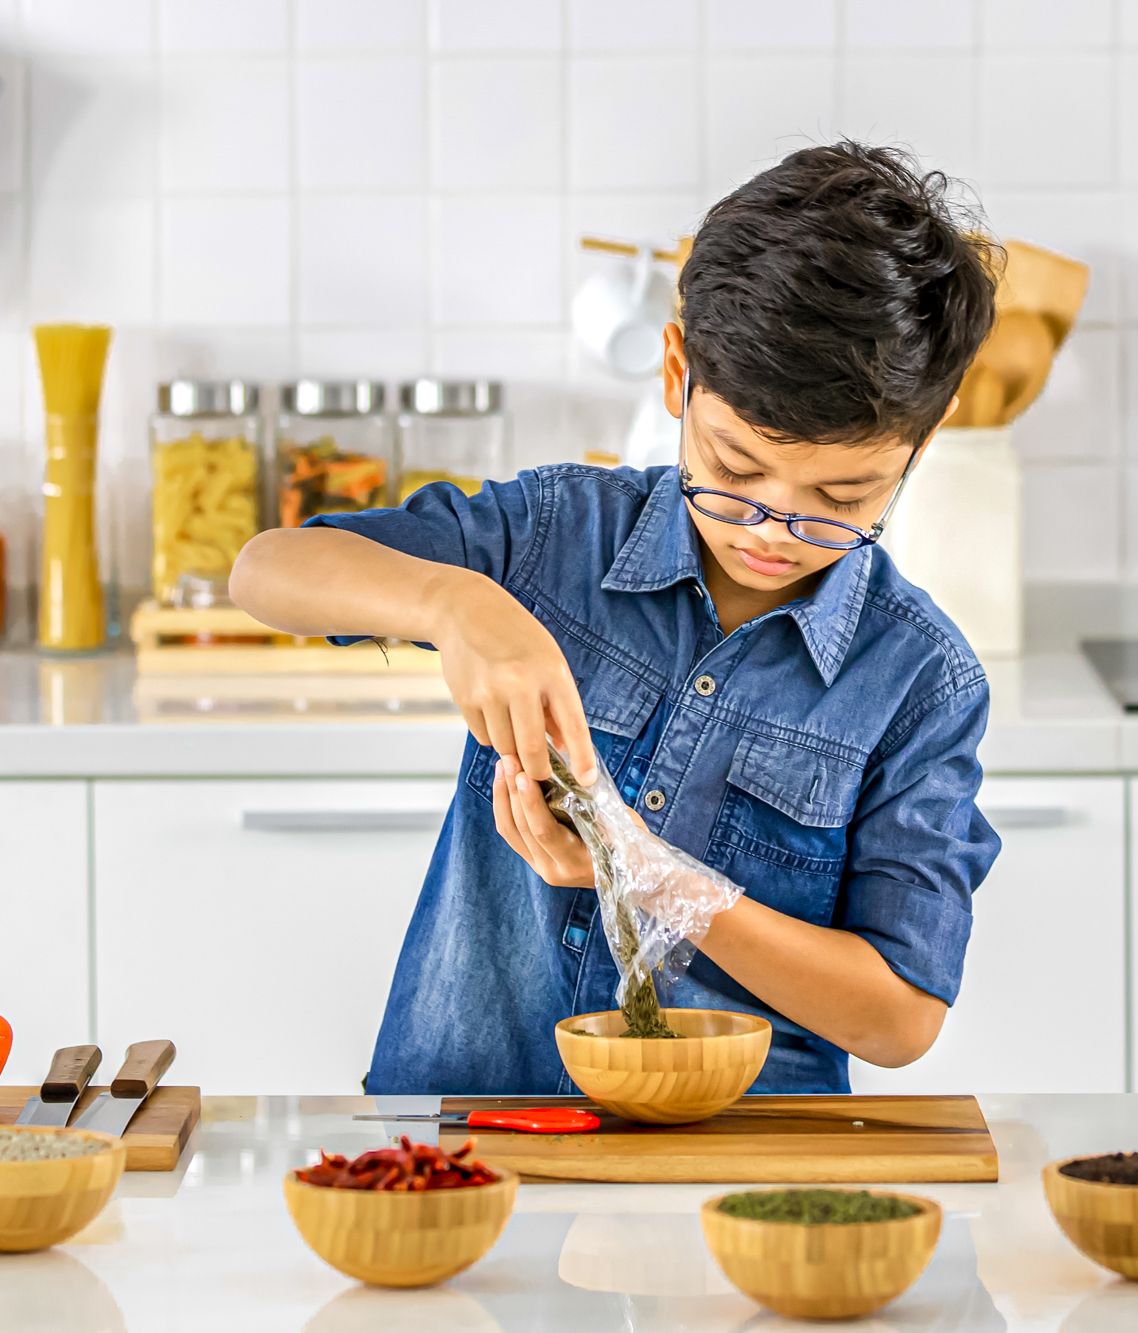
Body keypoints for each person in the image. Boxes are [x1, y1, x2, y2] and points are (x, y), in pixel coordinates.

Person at [230, 142, 1003, 1095]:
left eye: (842, 497)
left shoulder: (920, 679)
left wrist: (655, 880)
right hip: (470, 1141)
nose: (773, 529)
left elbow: (900, 1016)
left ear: (927, 436)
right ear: (678, 370)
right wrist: (455, 602)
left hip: (737, 1180)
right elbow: (266, 569)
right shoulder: (558, 534)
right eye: (735, 469)